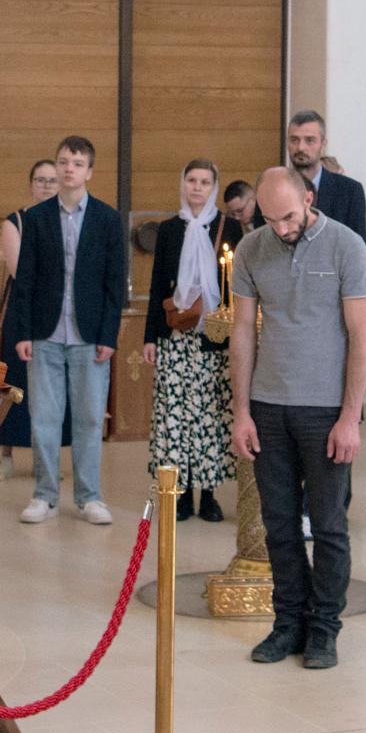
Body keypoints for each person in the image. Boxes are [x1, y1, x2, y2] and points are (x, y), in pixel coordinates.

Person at [229, 167, 366, 670]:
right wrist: (242, 411)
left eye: (288, 216)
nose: (281, 228)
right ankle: (287, 622)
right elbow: (244, 333)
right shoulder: (252, 249)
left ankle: (324, 628)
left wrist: (350, 418)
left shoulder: (347, 246)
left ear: (309, 198)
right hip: (269, 408)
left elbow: (361, 338)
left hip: (325, 411)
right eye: (269, 219)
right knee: (280, 525)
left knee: (330, 525)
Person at [10, 134, 127, 526]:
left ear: (89, 171)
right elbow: (24, 280)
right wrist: (22, 332)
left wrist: (109, 336)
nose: (68, 169)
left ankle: (89, 495)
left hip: (89, 335)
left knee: (90, 418)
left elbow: (115, 283)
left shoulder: (108, 219)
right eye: (63, 161)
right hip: (45, 332)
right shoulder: (38, 218)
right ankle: (44, 494)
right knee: (43, 415)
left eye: (77, 163)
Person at [143, 160, 243, 523]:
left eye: (204, 182)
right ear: (182, 184)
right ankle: (180, 493)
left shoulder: (229, 226)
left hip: (214, 336)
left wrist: (238, 335)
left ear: (214, 186)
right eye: (191, 180)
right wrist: (151, 336)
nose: (197, 187)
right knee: (176, 415)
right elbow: (157, 285)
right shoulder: (171, 228)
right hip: (176, 335)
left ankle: (210, 494)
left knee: (211, 416)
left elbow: (238, 286)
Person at [0, 157, 63, 480]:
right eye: (40, 180)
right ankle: (5, 455)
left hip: (58, 313)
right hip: (24, 312)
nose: (46, 185)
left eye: (52, 180)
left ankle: (45, 459)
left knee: (51, 387)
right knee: (16, 383)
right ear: (31, 184)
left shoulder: (66, 220)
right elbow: (21, 270)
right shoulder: (15, 221)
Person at [286, 109, 366, 241]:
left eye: (309, 140)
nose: (301, 147)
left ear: (323, 144)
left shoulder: (350, 192)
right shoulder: (271, 189)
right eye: (294, 140)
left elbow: (358, 249)